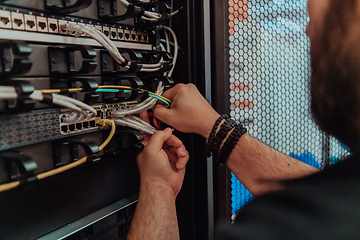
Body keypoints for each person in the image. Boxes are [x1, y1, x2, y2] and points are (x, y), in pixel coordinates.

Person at [127, 0, 360, 239]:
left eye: (318, 19)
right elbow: (325, 194)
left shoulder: (279, 229)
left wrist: (159, 187)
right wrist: (216, 128)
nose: (308, 32)